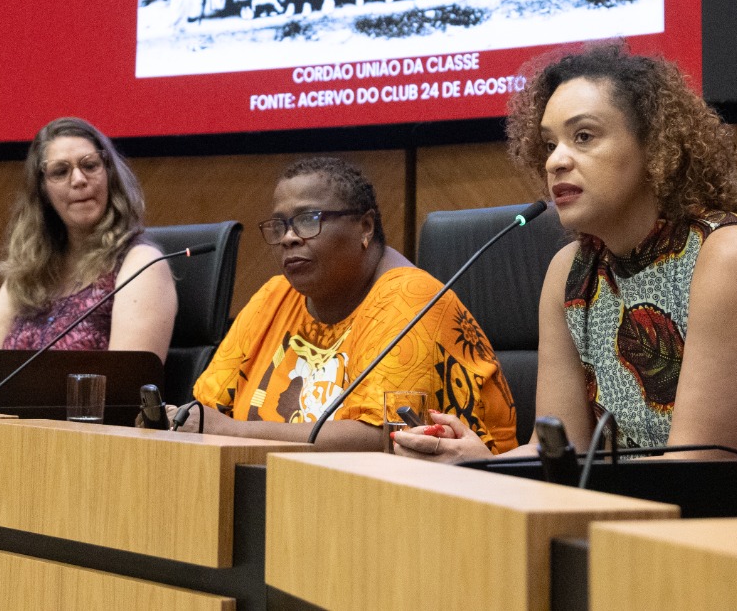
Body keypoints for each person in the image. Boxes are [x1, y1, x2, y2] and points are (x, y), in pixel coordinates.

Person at [395, 44, 737, 462]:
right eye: (550, 143)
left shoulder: (732, 257)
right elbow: (560, 451)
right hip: (655, 514)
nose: (556, 160)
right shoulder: (571, 274)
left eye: (584, 137)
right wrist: (479, 464)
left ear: (654, 147)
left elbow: (695, 470)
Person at [172, 157, 518, 451]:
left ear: (365, 227)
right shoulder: (274, 297)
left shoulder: (411, 297)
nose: (289, 237)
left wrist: (231, 430)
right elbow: (204, 411)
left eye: (309, 220)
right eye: (280, 225)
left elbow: (381, 437)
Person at [0, 118, 176, 359]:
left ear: (109, 175)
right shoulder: (28, 270)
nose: (79, 179)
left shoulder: (142, 264)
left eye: (90, 166)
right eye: (60, 171)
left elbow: (128, 387)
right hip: (8, 398)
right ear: (43, 191)